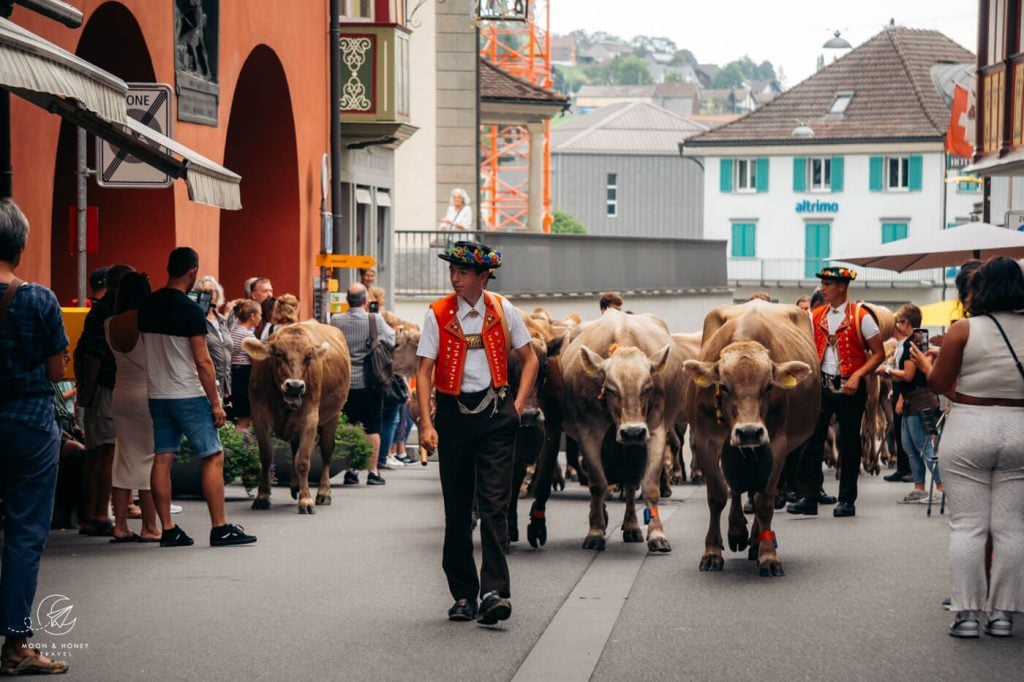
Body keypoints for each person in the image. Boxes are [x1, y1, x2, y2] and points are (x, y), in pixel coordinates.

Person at [416, 241, 538, 625]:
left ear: (483, 276)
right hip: (453, 416)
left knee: (494, 506)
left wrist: (516, 406)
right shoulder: (437, 313)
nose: (455, 278)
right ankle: (464, 595)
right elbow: (422, 372)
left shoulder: (504, 311)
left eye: (463, 272)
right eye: (452, 271)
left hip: (496, 415)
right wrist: (426, 422)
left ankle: (494, 592)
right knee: (456, 509)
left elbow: (530, 358)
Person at [911, 256, 1024, 638]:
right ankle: (1004, 615)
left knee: (968, 528)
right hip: (1020, 431)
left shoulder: (963, 330)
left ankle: (969, 616)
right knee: (1011, 528)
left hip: (970, 429)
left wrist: (935, 370)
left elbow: (939, 384)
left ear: (981, 288)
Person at [138, 247, 256, 548]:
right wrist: (216, 403)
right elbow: (203, 361)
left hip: (157, 393)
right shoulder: (191, 310)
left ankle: (168, 528)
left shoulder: (148, 305)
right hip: (188, 393)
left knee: (163, 457)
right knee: (213, 455)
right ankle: (220, 527)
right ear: (192, 271)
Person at [0, 199, 70, 675]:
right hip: (27, 420)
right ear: (20, 245)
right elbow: (55, 368)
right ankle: (16, 645)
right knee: (24, 534)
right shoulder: (38, 298)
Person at [787, 266, 885, 518]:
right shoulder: (815, 315)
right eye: (822, 284)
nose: (823, 289)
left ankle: (846, 500)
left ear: (842, 286)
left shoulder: (861, 316)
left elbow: (879, 354)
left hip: (850, 387)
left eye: (828, 284)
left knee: (849, 442)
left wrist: (858, 375)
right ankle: (809, 496)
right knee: (812, 439)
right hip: (822, 386)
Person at [76, 263, 134, 537]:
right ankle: (97, 514)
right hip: (105, 387)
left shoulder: (102, 309)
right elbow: (94, 354)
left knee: (99, 451)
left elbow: (84, 350)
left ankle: (95, 513)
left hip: (101, 387)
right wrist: (88, 388)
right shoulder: (109, 310)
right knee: (104, 451)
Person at [105, 272, 161, 543]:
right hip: (146, 394)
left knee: (123, 457)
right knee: (149, 459)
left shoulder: (109, 324)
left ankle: (120, 525)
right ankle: (150, 526)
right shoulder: (148, 322)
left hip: (121, 394)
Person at [332, 283, 395, 486]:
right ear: (366, 300)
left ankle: (351, 470)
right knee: (373, 427)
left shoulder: (336, 320)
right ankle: (373, 471)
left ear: (347, 301)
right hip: (370, 382)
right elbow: (391, 339)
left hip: (344, 382)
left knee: (350, 426)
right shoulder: (374, 319)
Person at [879, 304, 941, 504]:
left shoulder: (911, 344)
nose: (896, 326)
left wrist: (887, 371)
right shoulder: (911, 342)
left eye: (898, 322)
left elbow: (908, 375)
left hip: (920, 401)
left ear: (906, 323)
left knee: (923, 446)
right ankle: (919, 487)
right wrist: (900, 398)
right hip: (911, 400)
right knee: (909, 446)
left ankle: (941, 487)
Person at [195, 276, 232, 412]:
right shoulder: (196, 319)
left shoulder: (222, 320)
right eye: (204, 291)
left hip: (223, 382)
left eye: (212, 291)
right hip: (203, 381)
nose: (209, 295)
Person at [228, 300, 261, 429]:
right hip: (244, 375)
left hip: (232, 374)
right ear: (252, 316)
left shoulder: (232, 330)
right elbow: (257, 360)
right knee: (244, 415)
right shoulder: (248, 336)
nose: (260, 318)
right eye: (260, 314)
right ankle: (241, 445)